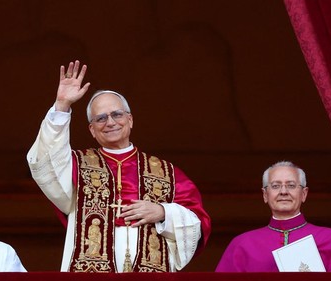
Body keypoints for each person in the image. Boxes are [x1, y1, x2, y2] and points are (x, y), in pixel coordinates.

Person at [26, 60, 211, 272]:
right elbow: (44, 161)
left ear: (130, 120)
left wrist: (163, 212)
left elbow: (199, 224)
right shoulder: (76, 166)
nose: (110, 122)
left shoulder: (166, 172)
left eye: (117, 114)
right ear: (92, 130)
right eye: (101, 118)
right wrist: (62, 106)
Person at [215, 161, 331, 272]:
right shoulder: (242, 244)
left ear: (304, 194)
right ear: (265, 195)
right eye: (276, 186)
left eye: (291, 185)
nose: (283, 191)